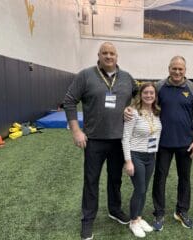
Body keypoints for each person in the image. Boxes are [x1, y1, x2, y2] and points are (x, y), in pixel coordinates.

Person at [63, 42, 136, 240]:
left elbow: (139, 97)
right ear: (99, 55)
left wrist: (132, 109)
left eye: (112, 53)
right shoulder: (86, 75)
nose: (109, 56)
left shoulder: (127, 78)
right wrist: (76, 130)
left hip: (118, 140)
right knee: (91, 181)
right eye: (105, 53)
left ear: (117, 56)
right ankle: (87, 220)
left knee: (115, 179)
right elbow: (69, 100)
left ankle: (114, 209)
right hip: (93, 140)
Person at [125, 56, 193, 231]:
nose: (177, 71)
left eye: (180, 69)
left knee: (185, 178)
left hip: (185, 143)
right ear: (169, 68)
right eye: (174, 68)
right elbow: (143, 102)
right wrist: (127, 110)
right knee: (160, 179)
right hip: (161, 144)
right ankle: (159, 213)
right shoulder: (159, 87)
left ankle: (181, 211)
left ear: (185, 70)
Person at [122, 82, 162, 238]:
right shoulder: (133, 112)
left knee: (144, 188)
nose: (149, 95)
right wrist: (128, 161)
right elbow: (125, 138)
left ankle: (139, 217)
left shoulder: (156, 112)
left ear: (155, 95)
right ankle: (133, 221)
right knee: (139, 189)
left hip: (150, 156)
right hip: (136, 155)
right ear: (140, 94)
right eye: (146, 93)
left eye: (152, 93)